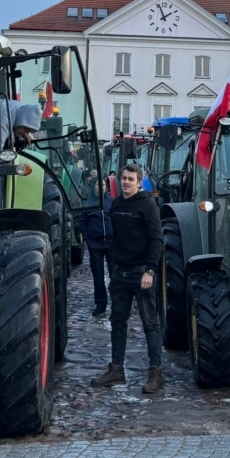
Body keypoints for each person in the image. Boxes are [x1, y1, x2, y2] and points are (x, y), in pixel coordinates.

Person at [93, 163, 164, 394]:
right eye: (123, 178)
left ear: (139, 182)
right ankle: (116, 370)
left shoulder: (147, 205)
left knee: (150, 323)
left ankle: (155, 373)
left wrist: (150, 271)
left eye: (130, 179)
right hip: (120, 273)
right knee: (118, 322)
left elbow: (157, 240)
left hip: (141, 272)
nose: (125, 182)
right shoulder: (117, 205)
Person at [79, 178, 114, 316]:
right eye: (98, 184)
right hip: (96, 244)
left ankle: (117, 304)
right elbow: (82, 222)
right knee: (98, 276)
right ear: (94, 186)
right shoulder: (88, 203)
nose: (101, 187)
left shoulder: (111, 202)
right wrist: (88, 239)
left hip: (111, 243)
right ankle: (101, 304)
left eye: (104, 184)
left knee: (114, 275)